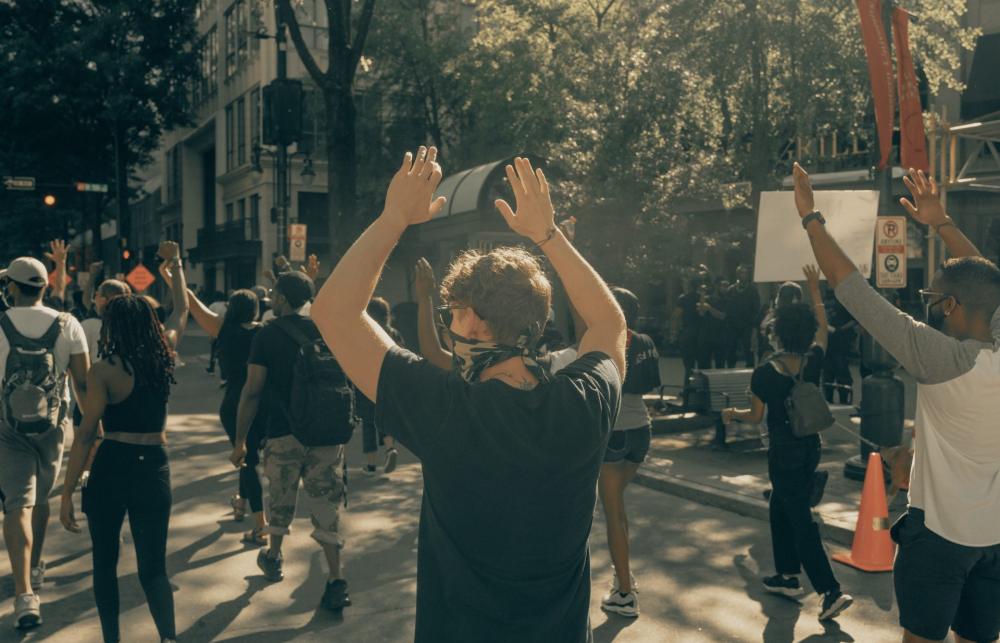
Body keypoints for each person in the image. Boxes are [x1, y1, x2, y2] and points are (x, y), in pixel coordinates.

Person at [312, 149, 624, 642]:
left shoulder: (444, 409)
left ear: (474, 321)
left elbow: (332, 311)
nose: (448, 329)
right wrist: (549, 235)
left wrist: (395, 218)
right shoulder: (585, 400)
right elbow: (609, 323)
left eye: (450, 316)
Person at [795, 164, 1000, 643]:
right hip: (994, 540)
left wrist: (810, 218)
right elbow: (989, 288)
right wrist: (942, 223)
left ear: (951, 307)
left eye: (934, 298)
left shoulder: (939, 357)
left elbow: (854, 292)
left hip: (938, 541)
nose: (930, 305)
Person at [59, 241, 187, 643]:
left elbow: (84, 436)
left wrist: (65, 493)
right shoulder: (164, 354)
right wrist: (176, 265)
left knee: (104, 564)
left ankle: (112, 639)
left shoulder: (104, 371)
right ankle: (169, 638)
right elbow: (182, 308)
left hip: (112, 465)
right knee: (154, 569)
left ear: (113, 326)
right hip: (154, 466)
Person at [722, 264, 853, 622]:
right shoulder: (812, 361)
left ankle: (830, 591)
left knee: (799, 519)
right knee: (780, 505)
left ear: (776, 331)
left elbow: (755, 416)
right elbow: (823, 328)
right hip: (811, 446)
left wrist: (732, 413)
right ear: (806, 331)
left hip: (783, 451)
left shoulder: (766, 371)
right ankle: (786, 576)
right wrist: (815, 289)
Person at [229, 270, 352, 613]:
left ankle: (273, 555)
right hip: (326, 433)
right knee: (326, 507)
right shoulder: (327, 327)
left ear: (282, 298)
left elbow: (252, 391)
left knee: (281, 498)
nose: (271, 298)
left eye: (274, 294)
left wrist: (240, 440)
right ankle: (336, 579)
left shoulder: (267, 335)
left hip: (283, 431)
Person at [0, 255, 90, 629]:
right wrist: (93, 433)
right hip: (54, 428)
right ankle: (36, 566)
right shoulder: (69, 325)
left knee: (17, 504)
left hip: (7, 429)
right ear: (45, 288)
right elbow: (83, 385)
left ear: (12, 288)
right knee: (40, 499)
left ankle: (25, 596)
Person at [186, 287, 267, 543]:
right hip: (263, 404)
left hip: (234, 404)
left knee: (248, 460)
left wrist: (172, 272)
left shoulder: (223, 328)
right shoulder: (265, 332)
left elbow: (193, 304)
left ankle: (261, 526)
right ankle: (241, 503)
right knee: (248, 455)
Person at [357, 296, 402, 475]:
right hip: (388, 383)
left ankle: (371, 464)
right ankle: (390, 448)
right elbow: (402, 357)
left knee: (369, 423)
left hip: (367, 381)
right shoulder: (394, 333)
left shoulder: (366, 333)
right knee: (385, 419)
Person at [723, 266, 760, 367]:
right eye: (741, 273)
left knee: (748, 349)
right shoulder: (731, 289)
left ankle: (750, 369)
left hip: (747, 324)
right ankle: (730, 369)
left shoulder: (752, 290)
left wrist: (754, 324)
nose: (743, 275)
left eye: (745, 273)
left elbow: (756, 308)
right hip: (733, 324)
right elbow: (727, 306)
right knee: (731, 348)